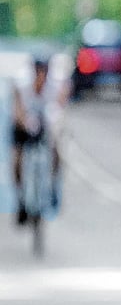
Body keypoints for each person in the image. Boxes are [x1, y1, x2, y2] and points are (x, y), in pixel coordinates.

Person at [11, 55, 69, 225]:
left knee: (57, 149)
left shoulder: (56, 84)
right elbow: (18, 110)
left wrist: (54, 119)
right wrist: (27, 123)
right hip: (25, 123)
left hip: (46, 123)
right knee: (17, 158)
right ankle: (21, 198)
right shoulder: (22, 84)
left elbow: (61, 101)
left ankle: (53, 187)